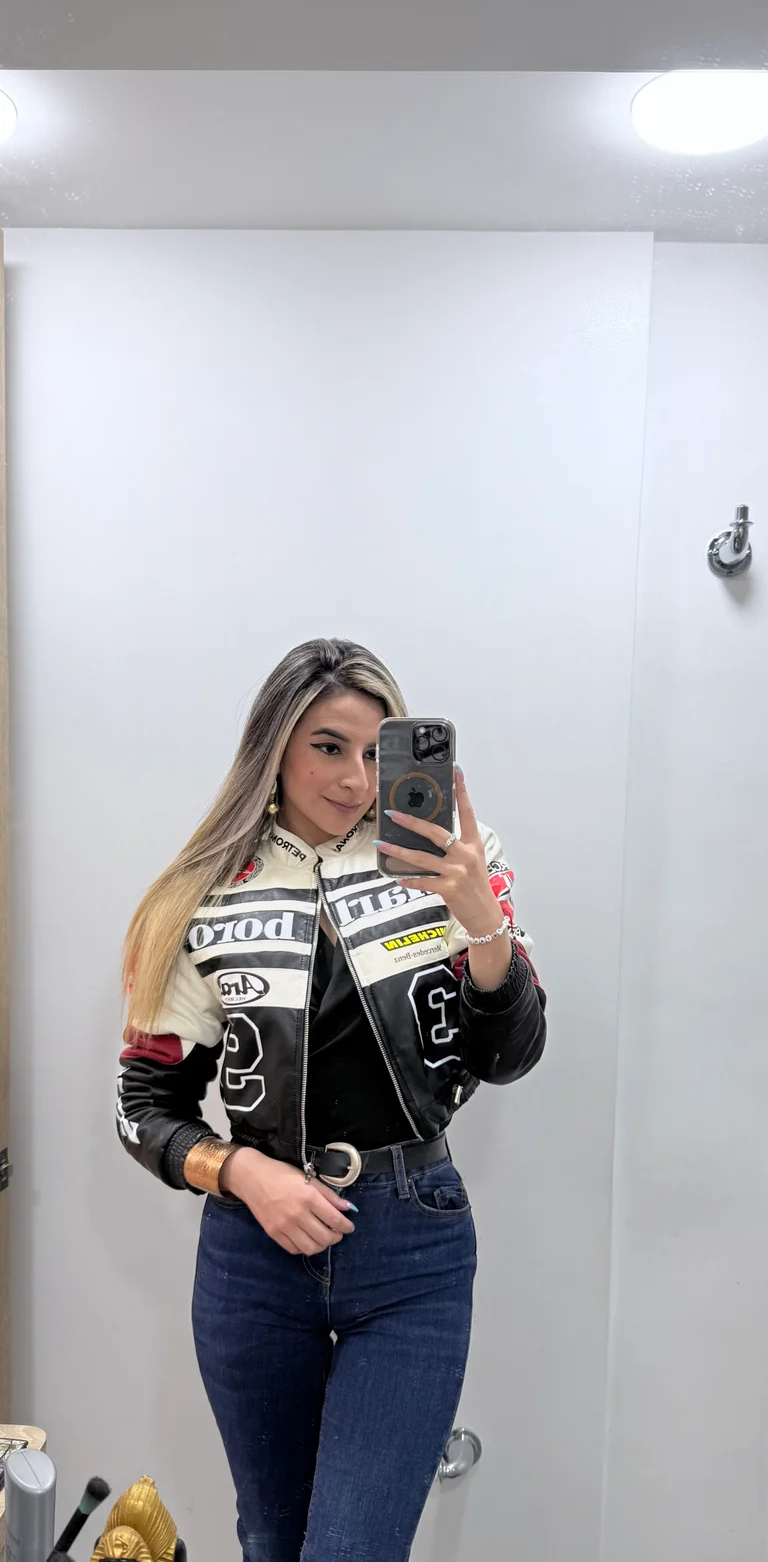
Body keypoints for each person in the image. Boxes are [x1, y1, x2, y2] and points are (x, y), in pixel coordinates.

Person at [116, 637, 547, 1562]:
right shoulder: (200, 897)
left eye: (372, 750)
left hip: (413, 1246)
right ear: (274, 744)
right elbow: (143, 1103)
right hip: (253, 1256)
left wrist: (483, 920)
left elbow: (511, 1055)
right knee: (272, 1540)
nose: (354, 779)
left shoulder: (454, 865)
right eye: (327, 746)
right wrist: (243, 1173)